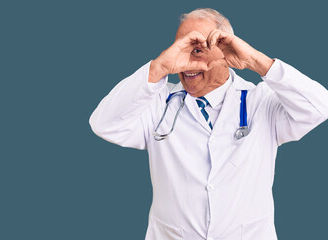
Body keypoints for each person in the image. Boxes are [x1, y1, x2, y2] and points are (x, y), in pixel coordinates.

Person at [90, 8, 328, 240]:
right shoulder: (158, 104)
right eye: (180, 49)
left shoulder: (261, 101)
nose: (185, 62)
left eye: (196, 49)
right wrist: (159, 67)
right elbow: (103, 124)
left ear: (226, 50)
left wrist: (256, 61)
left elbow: (320, 107)